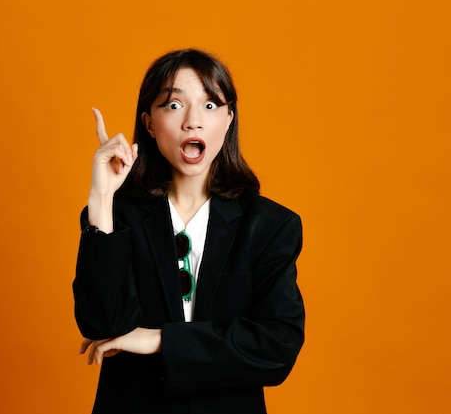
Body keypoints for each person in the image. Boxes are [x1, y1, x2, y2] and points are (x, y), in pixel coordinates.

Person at [73, 48, 304, 414]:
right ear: (149, 124)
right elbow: (104, 325)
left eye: (210, 105)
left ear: (229, 119)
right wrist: (102, 197)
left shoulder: (270, 226)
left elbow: (277, 347)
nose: (193, 122)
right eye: (174, 105)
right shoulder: (118, 217)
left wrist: (161, 340)